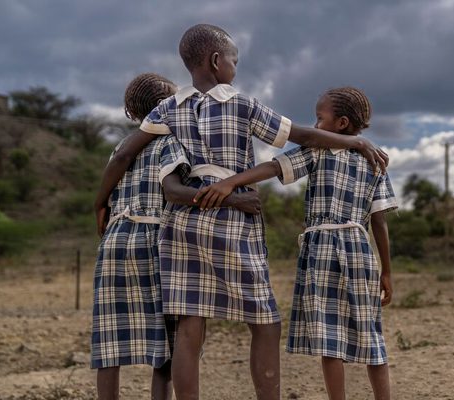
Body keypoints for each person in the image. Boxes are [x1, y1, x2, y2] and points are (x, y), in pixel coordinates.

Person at [92, 24, 388, 400]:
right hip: (234, 222)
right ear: (217, 61)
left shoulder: (168, 109)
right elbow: (304, 136)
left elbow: (124, 152)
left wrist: (100, 202)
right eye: (234, 60)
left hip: (183, 223)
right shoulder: (241, 103)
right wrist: (355, 141)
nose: (235, 66)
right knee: (264, 322)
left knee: (189, 326)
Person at [195, 87, 397, 400]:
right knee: (370, 334)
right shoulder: (374, 160)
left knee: (331, 338)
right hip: (360, 250)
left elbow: (274, 168)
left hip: (322, 250)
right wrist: (386, 271)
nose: (315, 125)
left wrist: (231, 181)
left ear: (341, 123)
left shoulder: (318, 150)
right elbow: (379, 222)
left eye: (320, 118)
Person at [92, 73, 261, 400]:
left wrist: (98, 203)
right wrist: (233, 198)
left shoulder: (121, 147)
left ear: (131, 114)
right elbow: (173, 192)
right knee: (168, 349)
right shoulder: (170, 142)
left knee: (109, 342)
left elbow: (119, 167)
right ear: (167, 110)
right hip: (155, 241)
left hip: (114, 242)